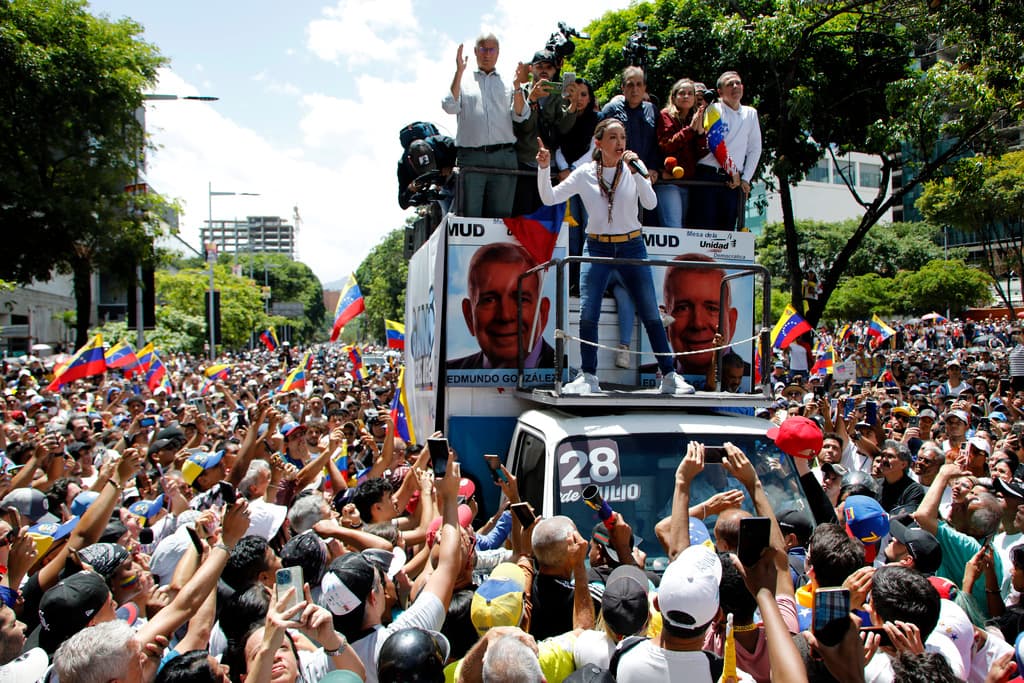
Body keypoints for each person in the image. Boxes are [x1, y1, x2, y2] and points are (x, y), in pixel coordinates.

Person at [536, 118, 694, 395]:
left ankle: (669, 375)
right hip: (597, 247)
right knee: (588, 312)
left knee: (650, 312)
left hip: (632, 246)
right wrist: (544, 167)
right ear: (598, 144)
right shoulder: (585, 172)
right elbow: (549, 197)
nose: (620, 143)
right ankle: (588, 376)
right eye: (612, 137)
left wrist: (637, 174)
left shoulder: (633, 170)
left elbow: (651, 203)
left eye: (622, 137)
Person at [441, 34, 530, 219]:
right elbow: (449, 106)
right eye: (482, 49)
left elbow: (521, 115)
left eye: (491, 50)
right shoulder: (463, 81)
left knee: (500, 221)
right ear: (475, 52)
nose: (487, 54)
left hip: (503, 157)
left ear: (498, 53)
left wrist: (517, 87)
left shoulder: (507, 82)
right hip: (471, 157)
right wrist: (458, 72)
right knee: (469, 220)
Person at [447, 242, 555, 370]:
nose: (505, 315)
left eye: (521, 299)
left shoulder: (568, 379)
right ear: (469, 316)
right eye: (489, 300)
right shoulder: (450, 373)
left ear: (543, 313)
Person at [690, 71, 762, 231]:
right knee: (702, 231)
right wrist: (734, 172)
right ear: (720, 92)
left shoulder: (751, 113)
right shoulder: (713, 109)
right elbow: (716, 143)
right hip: (708, 177)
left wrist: (745, 179)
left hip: (732, 184)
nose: (735, 87)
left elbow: (755, 148)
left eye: (738, 83)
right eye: (730, 84)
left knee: (727, 233)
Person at [658, 253, 745, 384]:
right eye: (683, 308)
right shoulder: (648, 373)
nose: (698, 323)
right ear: (665, 321)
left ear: (731, 322)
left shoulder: (746, 375)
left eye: (711, 308)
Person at [600, 67, 661, 226]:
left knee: (649, 221)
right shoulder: (610, 110)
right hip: (617, 177)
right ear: (622, 88)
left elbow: (657, 142)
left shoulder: (652, 110)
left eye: (639, 84)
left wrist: (654, 167)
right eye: (630, 85)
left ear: (645, 88)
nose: (635, 89)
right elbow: (600, 143)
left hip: (645, 175)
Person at [655, 78, 706, 228]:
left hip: (689, 181)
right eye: (682, 93)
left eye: (690, 93)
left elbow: (701, 153)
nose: (686, 96)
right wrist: (690, 130)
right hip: (669, 181)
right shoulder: (665, 116)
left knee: (686, 227)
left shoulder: (696, 117)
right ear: (674, 97)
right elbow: (667, 145)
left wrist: (701, 133)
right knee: (674, 226)